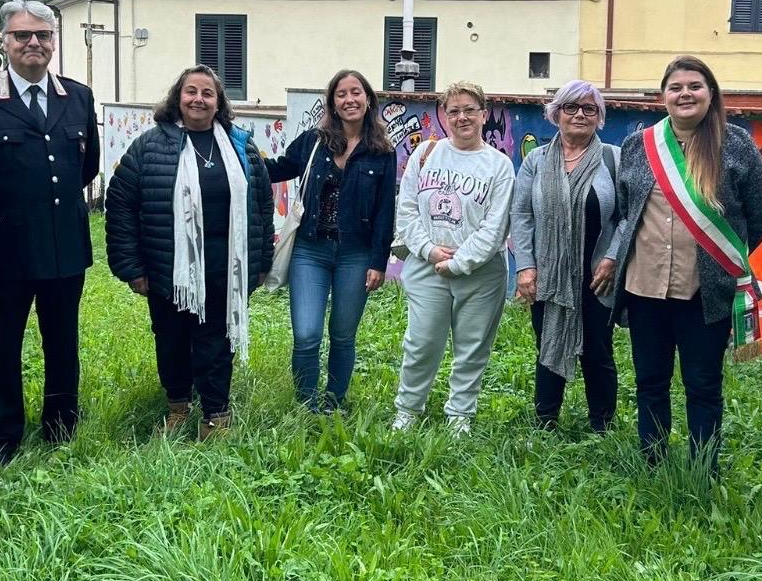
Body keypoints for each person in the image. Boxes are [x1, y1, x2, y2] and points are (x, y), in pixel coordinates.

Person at [0, 0, 99, 464]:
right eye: (22, 35)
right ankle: (1, 436)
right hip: (5, 251)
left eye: (42, 35)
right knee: (1, 347)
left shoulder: (77, 96)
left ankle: (61, 427)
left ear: (54, 42)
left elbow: (87, 166)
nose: (33, 43)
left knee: (63, 343)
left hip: (63, 246)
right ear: (5, 42)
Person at [612, 56, 762, 469]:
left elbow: (761, 214)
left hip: (705, 291)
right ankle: (653, 462)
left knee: (703, 384)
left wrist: (722, 260)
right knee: (650, 382)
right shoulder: (638, 145)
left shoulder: (735, 144)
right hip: (645, 286)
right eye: (676, 87)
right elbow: (628, 211)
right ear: (663, 96)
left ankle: (704, 468)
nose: (685, 94)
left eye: (694, 86)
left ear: (711, 93)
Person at [107, 65, 274, 439]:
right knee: (172, 340)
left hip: (224, 266)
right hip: (169, 268)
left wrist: (262, 261)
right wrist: (131, 267)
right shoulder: (149, 146)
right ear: (177, 99)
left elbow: (262, 205)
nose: (198, 99)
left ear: (219, 103)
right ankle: (178, 407)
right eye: (191, 92)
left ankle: (216, 415)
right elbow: (120, 205)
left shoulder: (241, 145)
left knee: (217, 342)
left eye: (207, 93)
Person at [263, 69, 396, 412]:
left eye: (356, 92)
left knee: (342, 334)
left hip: (356, 254)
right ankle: (306, 403)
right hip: (310, 251)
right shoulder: (314, 141)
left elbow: (385, 211)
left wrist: (378, 262)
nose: (349, 99)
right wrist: (240, 155)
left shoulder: (382, 151)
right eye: (341, 94)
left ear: (368, 100)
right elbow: (279, 167)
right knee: (306, 334)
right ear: (333, 103)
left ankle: (334, 402)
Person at [391, 81, 516, 436]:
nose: (462, 117)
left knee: (472, 346)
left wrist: (460, 263)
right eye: (454, 111)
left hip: (480, 273)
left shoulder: (499, 166)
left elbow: (496, 227)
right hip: (428, 266)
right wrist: (430, 252)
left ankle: (460, 415)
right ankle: (408, 410)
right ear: (444, 116)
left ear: (484, 114)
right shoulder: (426, 154)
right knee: (421, 342)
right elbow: (408, 211)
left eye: (469, 110)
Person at [511, 80, 622, 432]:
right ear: (556, 113)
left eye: (589, 109)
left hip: (597, 275)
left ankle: (601, 425)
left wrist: (613, 257)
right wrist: (526, 266)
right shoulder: (537, 161)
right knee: (547, 345)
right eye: (571, 107)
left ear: (599, 117)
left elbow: (628, 215)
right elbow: (522, 214)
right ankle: (546, 420)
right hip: (548, 274)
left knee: (598, 351)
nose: (579, 115)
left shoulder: (612, 159)